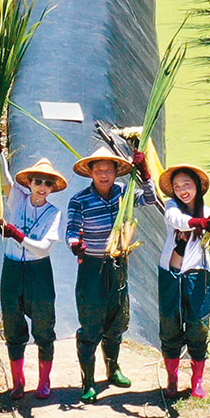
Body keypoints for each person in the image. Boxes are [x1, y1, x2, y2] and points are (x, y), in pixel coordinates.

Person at [149, 164, 210, 399]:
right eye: (177, 186)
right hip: (171, 274)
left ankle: (197, 380)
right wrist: (200, 224)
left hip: (198, 275)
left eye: (187, 184)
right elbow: (177, 221)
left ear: (197, 185)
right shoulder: (172, 207)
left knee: (197, 325)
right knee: (170, 325)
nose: (182, 190)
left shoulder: (208, 211)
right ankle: (172, 378)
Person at [65, 150, 139, 401]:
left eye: (109, 170)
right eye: (99, 171)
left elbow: (150, 197)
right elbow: (72, 230)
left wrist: (146, 171)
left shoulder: (124, 194)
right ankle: (87, 381)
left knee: (116, 319)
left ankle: (113, 368)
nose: (104, 175)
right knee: (90, 322)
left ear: (116, 172)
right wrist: (76, 244)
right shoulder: (80, 200)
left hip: (117, 263)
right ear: (91, 173)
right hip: (92, 266)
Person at [0, 160, 66, 398]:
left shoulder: (53, 214)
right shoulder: (17, 199)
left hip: (39, 272)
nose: (42, 187)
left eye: (48, 183)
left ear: (53, 188)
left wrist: (16, 234)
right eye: (38, 181)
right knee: (13, 326)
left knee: (44, 327)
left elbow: (43, 248)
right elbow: (3, 178)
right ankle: (18, 382)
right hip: (12, 269)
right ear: (30, 183)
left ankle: (44, 381)